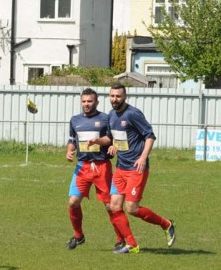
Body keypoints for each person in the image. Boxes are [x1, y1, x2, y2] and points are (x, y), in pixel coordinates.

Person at [107, 83, 175, 254]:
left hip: (136, 168)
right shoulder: (111, 115)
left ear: (125, 97)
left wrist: (143, 157)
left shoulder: (133, 114)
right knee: (114, 206)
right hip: (120, 168)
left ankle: (166, 224)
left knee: (131, 208)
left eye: (118, 96)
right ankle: (132, 244)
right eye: (112, 96)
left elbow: (150, 136)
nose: (115, 99)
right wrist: (114, 146)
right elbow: (116, 137)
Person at [65, 88, 132, 250]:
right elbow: (72, 139)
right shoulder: (75, 120)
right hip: (82, 166)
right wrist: (69, 149)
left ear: (96, 102)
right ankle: (78, 235)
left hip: (102, 167)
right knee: (73, 201)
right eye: (84, 101)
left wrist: (105, 143)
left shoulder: (105, 118)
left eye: (90, 101)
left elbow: (113, 137)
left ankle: (120, 238)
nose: (86, 104)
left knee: (110, 205)